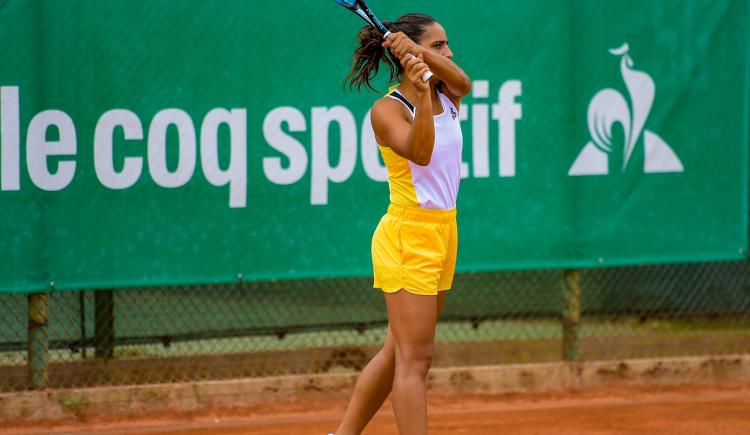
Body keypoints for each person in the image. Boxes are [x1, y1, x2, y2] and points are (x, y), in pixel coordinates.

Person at [332, 12, 471, 435]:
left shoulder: (450, 90)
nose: (447, 53)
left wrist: (423, 61)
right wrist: (424, 92)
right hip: (408, 235)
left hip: (444, 230)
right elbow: (421, 152)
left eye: (447, 45)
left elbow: (464, 82)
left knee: (398, 352)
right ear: (408, 51)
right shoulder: (386, 110)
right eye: (438, 46)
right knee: (416, 359)